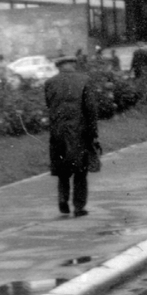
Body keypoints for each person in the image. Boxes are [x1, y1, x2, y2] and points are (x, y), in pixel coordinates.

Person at [46, 59, 100, 217]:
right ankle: (79, 206)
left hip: (58, 131)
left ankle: (63, 199)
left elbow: (49, 105)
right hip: (79, 131)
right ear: (72, 65)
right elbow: (90, 108)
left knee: (62, 168)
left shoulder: (50, 82)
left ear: (59, 67)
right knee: (80, 170)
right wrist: (93, 132)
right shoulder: (84, 80)